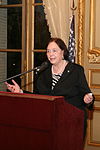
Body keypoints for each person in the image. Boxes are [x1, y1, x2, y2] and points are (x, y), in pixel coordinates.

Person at [5, 37, 94, 139]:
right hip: (49, 123)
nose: (50, 54)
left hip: (72, 123)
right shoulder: (42, 72)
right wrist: (20, 91)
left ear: (62, 52)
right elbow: (38, 97)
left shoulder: (76, 70)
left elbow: (87, 94)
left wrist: (88, 99)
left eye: (54, 51)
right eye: (48, 51)